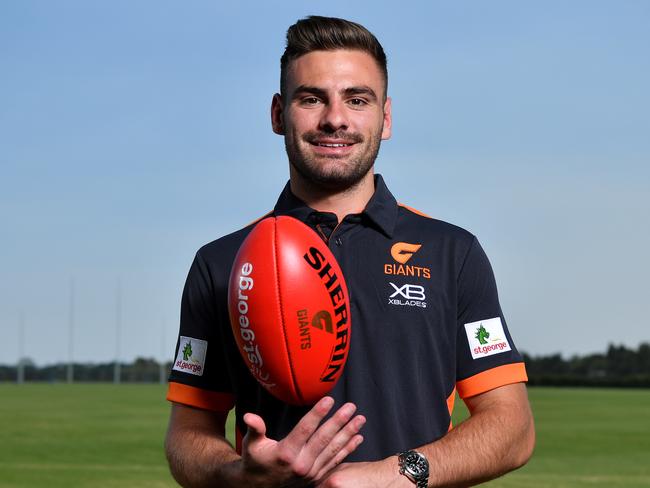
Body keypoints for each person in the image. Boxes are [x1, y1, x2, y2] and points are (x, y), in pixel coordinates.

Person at [164, 15, 535, 488]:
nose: (334, 118)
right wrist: (238, 475)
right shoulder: (222, 263)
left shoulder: (452, 252)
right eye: (311, 98)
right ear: (278, 114)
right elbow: (187, 435)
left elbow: (513, 428)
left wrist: (391, 476)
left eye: (357, 99)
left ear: (385, 118)